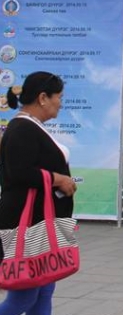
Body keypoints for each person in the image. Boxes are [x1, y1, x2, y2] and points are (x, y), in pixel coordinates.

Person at [0, 72, 77, 314]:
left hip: (41, 224)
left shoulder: (30, 126)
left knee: (43, 292)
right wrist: (59, 179)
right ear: (43, 98)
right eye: (59, 97)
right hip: (27, 225)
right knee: (24, 297)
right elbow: (19, 172)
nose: (61, 103)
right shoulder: (22, 128)